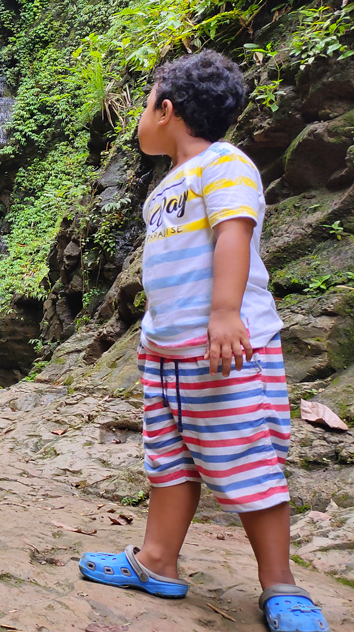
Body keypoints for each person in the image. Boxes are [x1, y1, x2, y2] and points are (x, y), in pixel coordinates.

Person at [78, 50, 330, 632]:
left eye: (144, 106)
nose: (140, 118)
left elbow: (233, 235)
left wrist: (224, 313)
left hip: (225, 350)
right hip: (167, 354)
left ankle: (280, 586)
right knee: (168, 462)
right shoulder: (164, 189)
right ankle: (157, 560)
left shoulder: (226, 165)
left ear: (166, 111)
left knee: (246, 460)